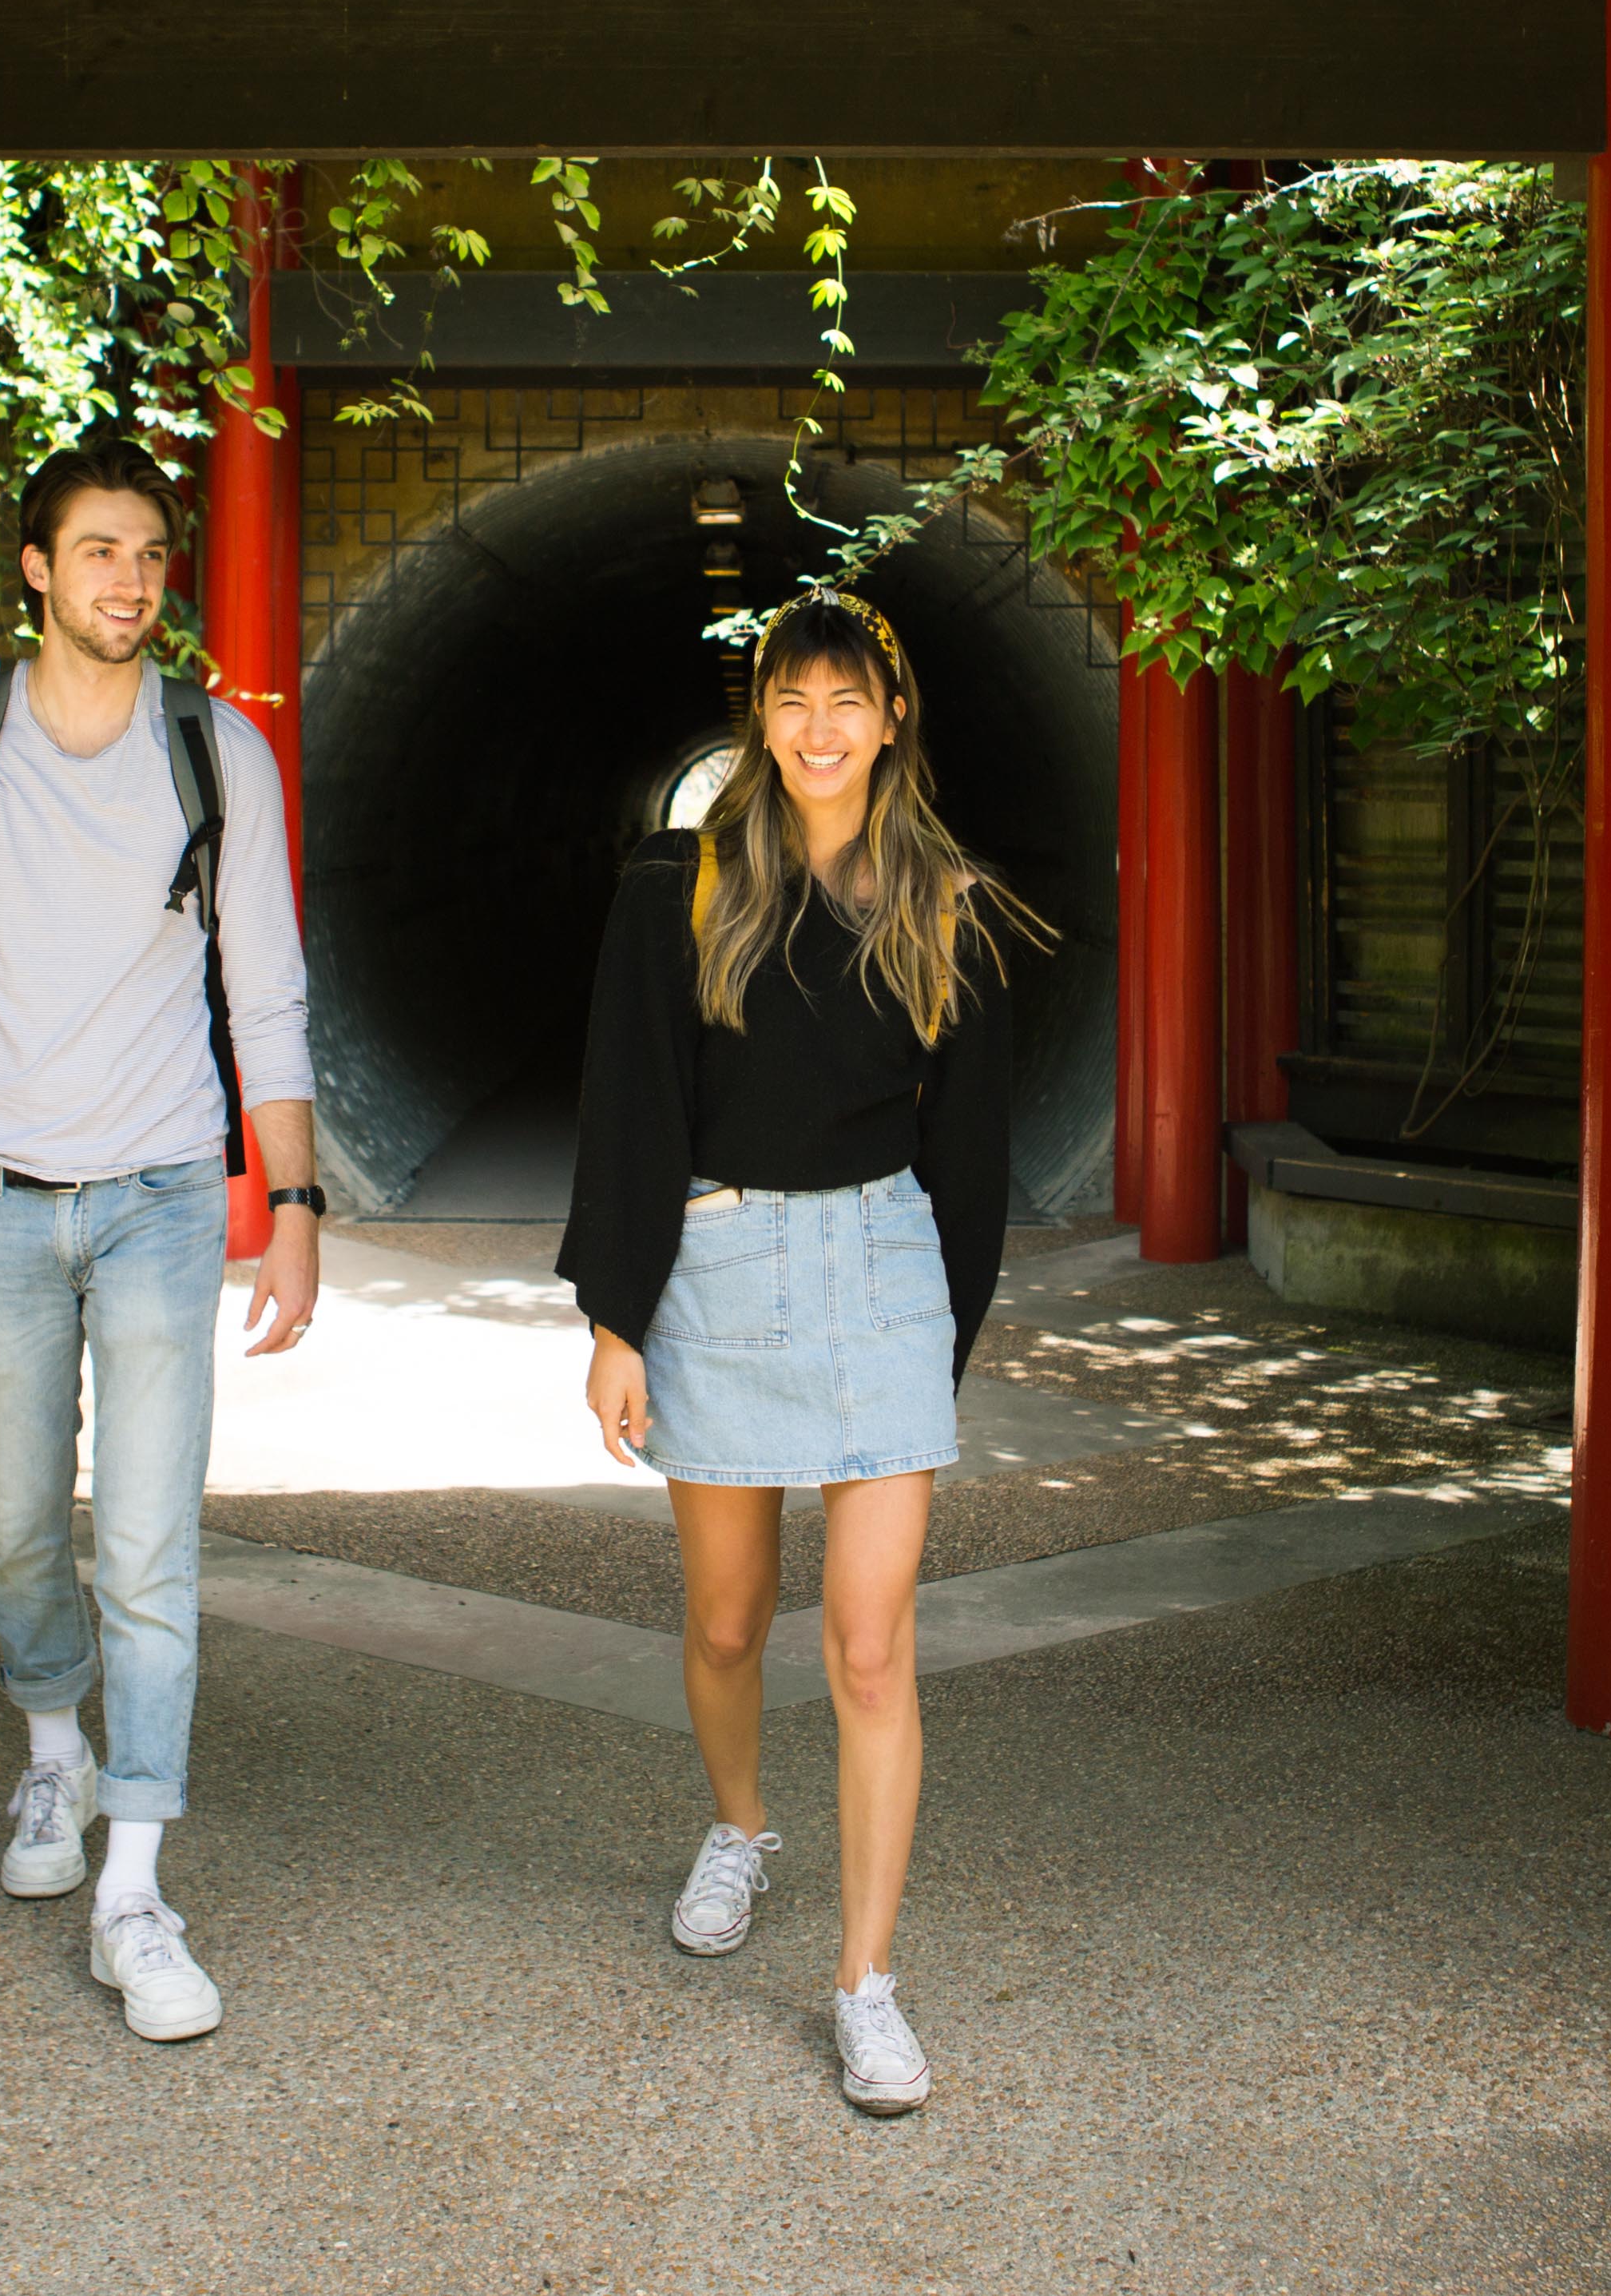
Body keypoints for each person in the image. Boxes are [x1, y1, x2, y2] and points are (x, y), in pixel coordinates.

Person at [0, 433, 323, 2046]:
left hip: (167, 1196)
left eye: (150, 553)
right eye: (98, 550)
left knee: (150, 1546)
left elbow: (264, 984)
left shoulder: (216, 752)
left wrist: (296, 1203)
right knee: (20, 1528)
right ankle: (49, 1753)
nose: (130, 579)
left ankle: (136, 1878)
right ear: (35, 567)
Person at [560, 591, 1042, 2116]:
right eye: (792, 700)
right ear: (759, 718)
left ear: (895, 717)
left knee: (869, 1641)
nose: (820, 728)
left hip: (883, 1264)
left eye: (848, 700)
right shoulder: (677, 885)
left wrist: (936, 1352)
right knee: (723, 1621)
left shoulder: (946, 899)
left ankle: (865, 1983)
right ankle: (740, 1825)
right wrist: (616, 1319)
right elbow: (628, 1104)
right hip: (719, 1266)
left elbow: (969, 1155)